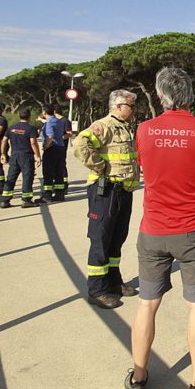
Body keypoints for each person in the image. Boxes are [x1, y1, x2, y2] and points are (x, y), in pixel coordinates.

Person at [126, 67, 195, 389]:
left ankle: (139, 378)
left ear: (159, 96)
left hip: (153, 229)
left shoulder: (143, 130)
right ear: (190, 95)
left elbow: (145, 167)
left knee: (146, 304)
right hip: (193, 231)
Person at [73, 90, 140, 310]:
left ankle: (114, 282)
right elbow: (80, 144)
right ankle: (97, 290)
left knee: (116, 240)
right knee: (100, 240)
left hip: (122, 191)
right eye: (132, 105)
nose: (134, 109)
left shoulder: (124, 127)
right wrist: (100, 167)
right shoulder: (105, 125)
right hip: (106, 192)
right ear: (119, 106)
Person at [0, 108, 43, 208]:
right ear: (29, 116)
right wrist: (38, 156)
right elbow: (33, 142)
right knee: (27, 177)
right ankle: (26, 200)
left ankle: (5, 200)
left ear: (19, 116)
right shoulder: (31, 128)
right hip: (26, 156)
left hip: (14, 155)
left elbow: (4, 140)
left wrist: (3, 154)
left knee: (11, 177)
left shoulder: (11, 127)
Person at [40, 104, 66, 202]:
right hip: (60, 147)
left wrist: (45, 146)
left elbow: (50, 136)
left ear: (44, 112)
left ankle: (47, 196)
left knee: (48, 172)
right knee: (58, 172)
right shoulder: (59, 121)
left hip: (52, 149)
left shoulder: (49, 122)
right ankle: (60, 194)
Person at [55, 106, 74, 195]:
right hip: (53, 148)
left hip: (62, 147)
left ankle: (64, 185)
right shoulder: (54, 121)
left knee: (61, 165)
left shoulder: (65, 121)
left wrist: (61, 137)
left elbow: (69, 133)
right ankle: (56, 185)